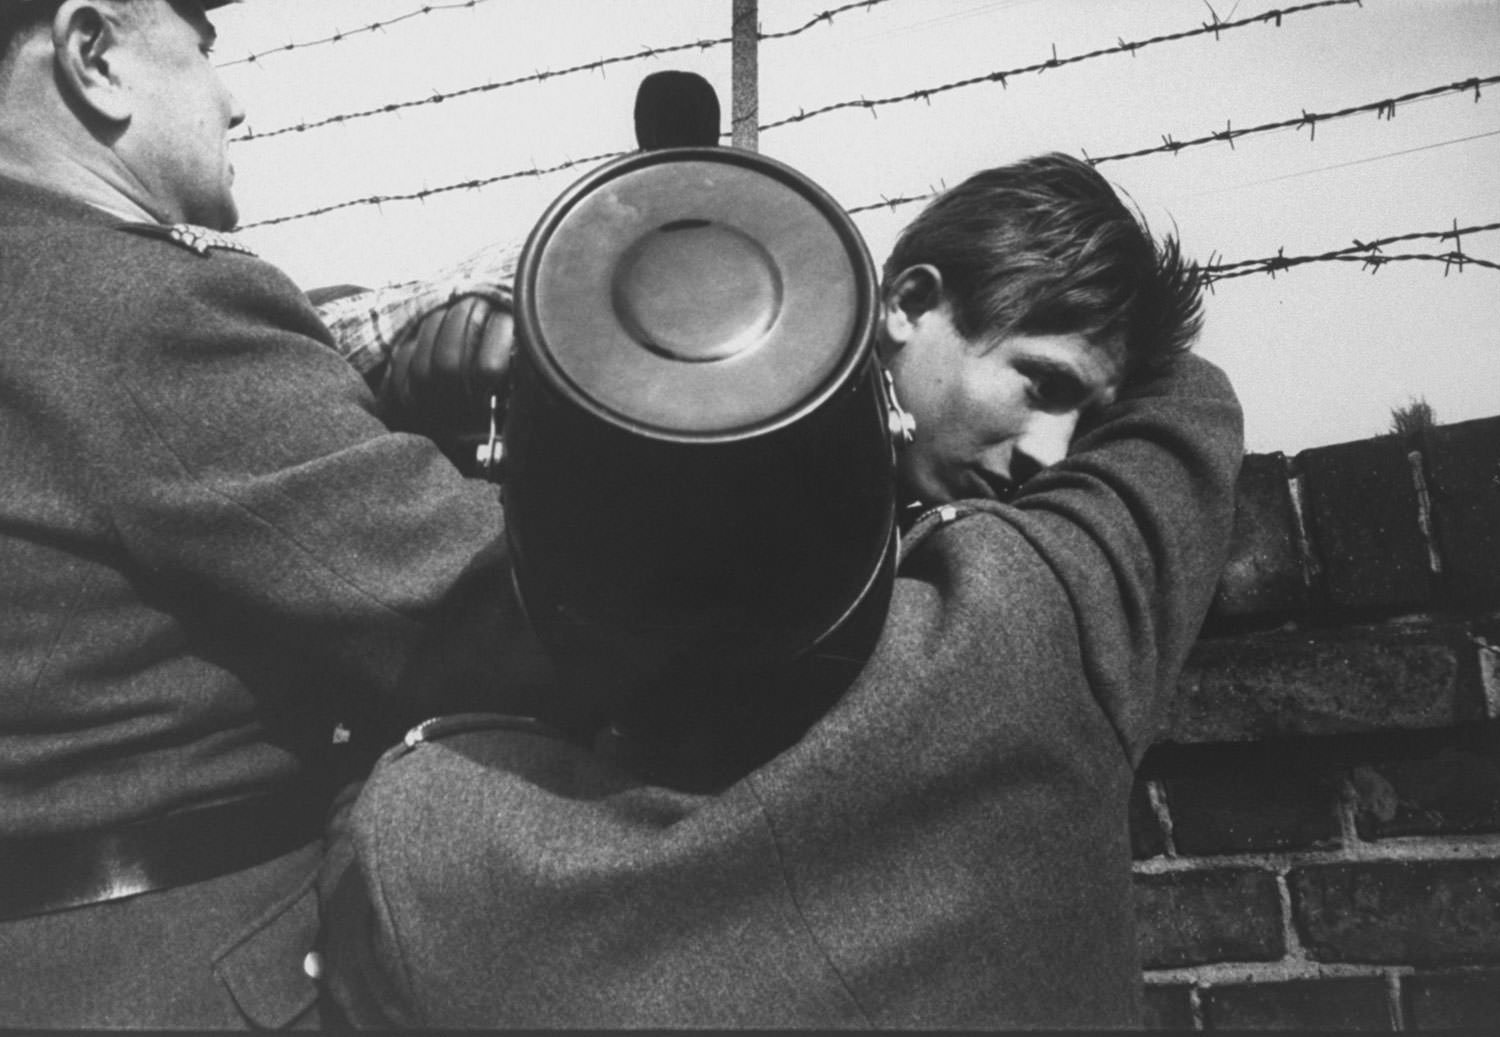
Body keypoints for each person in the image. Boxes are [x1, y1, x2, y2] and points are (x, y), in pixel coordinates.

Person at [316, 152, 1245, 1028]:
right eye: (1041, 384)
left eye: (1088, 416)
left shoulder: (426, 839)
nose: (1055, 452)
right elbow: (1195, 402)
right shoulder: (1042, 619)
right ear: (908, 303)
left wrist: (574, 302)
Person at [0, 0, 552, 1027]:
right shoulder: (145, 308)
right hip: (174, 974)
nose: (236, 103)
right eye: (203, 52)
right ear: (93, 56)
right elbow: (500, 613)